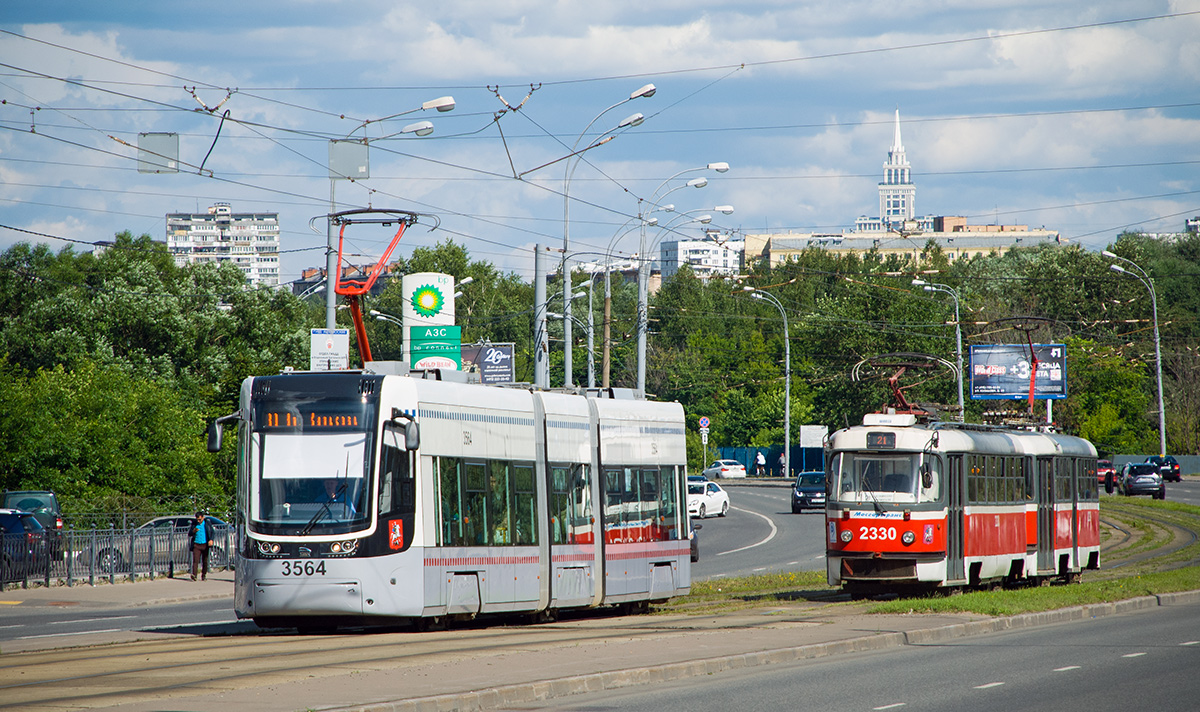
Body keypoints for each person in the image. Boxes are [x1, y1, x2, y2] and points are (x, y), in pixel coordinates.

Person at [187, 510, 215, 581]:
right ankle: (194, 575)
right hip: (196, 544)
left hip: (205, 544)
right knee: (195, 560)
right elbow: (189, 533)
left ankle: (204, 575)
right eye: (197, 519)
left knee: (205, 561)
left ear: (203, 517)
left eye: (200, 519)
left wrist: (211, 539)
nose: (199, 521)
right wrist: (193, 531)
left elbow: (212, 532)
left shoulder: (207, 523)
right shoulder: (194, 524)